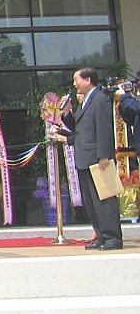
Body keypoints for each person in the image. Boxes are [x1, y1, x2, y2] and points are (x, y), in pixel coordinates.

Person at [54, 68, 123, 250]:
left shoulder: (99, 99)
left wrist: (104, 155)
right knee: (91, 202)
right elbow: (79, 128)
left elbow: (104, 129)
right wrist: (67, 113)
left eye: (76, 80)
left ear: (88, 80)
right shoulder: (86, 100)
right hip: (84, 157)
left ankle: (112, 237)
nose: (74, 84)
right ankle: (101, 235)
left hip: (97, 158)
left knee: (104, 199)